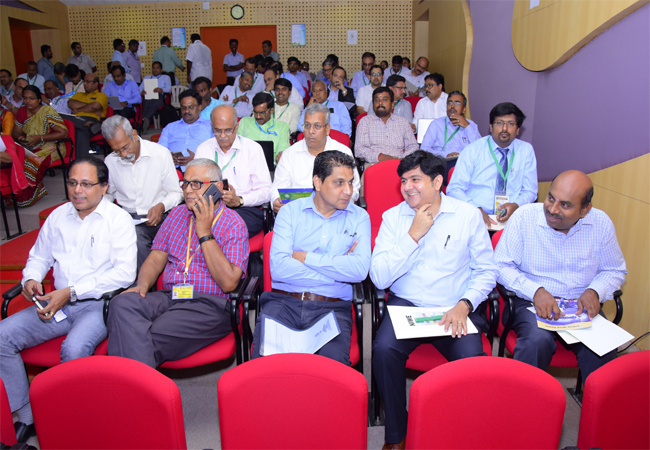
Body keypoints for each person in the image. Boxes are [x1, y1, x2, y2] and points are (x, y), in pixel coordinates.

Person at [0, 157, 136, 444]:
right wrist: (31, 278)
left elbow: (124, 274)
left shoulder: (118, 220)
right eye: (72, 183)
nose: (77, 190)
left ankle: (77, 422)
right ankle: (27, 416)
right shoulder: (58, 216)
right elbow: (39, 256)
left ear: (104, 187)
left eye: (86, 184)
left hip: (99, 305)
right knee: (2, 336)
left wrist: (71, 292)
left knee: (73, 349)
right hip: (55, 302)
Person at [371, 151, 497, 450]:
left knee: (471, 361)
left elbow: (487, 271)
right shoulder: (393, 218)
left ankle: (457, 433)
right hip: (407, 305)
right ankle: (396, 435)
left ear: (438, 181)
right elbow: (379, 278)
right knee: (383, 350)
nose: (407, 187)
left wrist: (465, 304)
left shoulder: (467, 215)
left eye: (415, 179)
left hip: (453, 307)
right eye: (403, 181)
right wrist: (412, 236)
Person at [106, 157, 248, 367]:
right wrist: (142, 285)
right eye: (185, 183)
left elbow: (228, 283)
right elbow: (156, 257)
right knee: (122, 303)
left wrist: (205, 232)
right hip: (171, 296)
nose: (188, 190)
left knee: (140, 336)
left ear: (217, 187)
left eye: (196, 184)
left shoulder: (233, 224)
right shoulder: (176, 215)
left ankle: (129, 383)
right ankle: (137, 382)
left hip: (209, 305)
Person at [495, 170, 627, 380]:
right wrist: (536, 291)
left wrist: (595, 291)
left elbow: (614, 270)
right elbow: (501, 266)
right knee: (536, 342)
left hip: (580, 307)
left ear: (585, 209)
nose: (553, 209)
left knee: (604, 351)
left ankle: (595, 400)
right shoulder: (524, 217)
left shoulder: (601, 224)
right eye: (551, 198)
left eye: (565, 205)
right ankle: (523, 398)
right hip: (531, 303)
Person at [252, 150, 370, 364]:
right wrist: (336, 271)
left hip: (332, 307)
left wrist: (305, 257)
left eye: (351, 183)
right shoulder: (289, 213)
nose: (348, 191)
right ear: (317, 182)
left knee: (330, 374)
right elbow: (279, 269)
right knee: (265, 370)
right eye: (339, 183)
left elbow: (359, 271)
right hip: (284, 303)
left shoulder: (359, 217)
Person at [102, 116, 183, 272]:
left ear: (134, 134)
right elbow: (108, 195)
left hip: (161, 216)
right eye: (117, 151)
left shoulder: (160, 153)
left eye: (125, 147)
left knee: (139, 240)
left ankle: (145, 284)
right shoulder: (110, 161)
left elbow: (176, 192)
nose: (123, 154)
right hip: (128, 219)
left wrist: (161, 206)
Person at [446, 102, 538, 229]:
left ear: (518, 130)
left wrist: (515, 205)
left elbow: (530, 190)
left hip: (512, 218)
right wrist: (476, 209)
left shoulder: (526, 150)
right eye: (499, 123)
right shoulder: (473, 150)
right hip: (476, 217)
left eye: (510, 124)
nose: (504, 129)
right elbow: (454, 189)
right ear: (490, 127)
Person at [195, 104, 272, 237]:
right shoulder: (203, 149)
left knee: (227, 225)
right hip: (210, 208)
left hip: (244, 209)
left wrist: (240, 200)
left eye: (228, 130)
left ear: (237, 127)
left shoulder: (252, 149)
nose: (222, 136)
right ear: (212, 127)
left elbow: (266, 191)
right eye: (217, 130)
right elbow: (195, 185)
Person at [271, 103, 360, 213]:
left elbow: (354, 189)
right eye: (307, 125)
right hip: (298, 214)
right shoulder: (290, 154)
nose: (311, 131)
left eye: (317, 126)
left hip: (334, 212)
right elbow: (277, 189)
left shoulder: (343, 152)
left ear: (327, 129)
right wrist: (276, 201)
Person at [12, 85, 69, 206]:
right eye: (25, 98)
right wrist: (20, 138)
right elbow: (16, 131)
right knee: (14, 160)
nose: (28, 101)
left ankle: (26, 197)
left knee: (31, 163)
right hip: (29, 146)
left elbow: (63, 133)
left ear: (39, 99)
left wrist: (40, 138)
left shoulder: (47, 111)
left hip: (51, 146)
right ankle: (15, 195)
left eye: (31, 98)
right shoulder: (22, 111)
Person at [355, 87, 418, 171]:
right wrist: (379, 157)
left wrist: (401, 159)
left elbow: (413, 146)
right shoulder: (365, 122)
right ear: (373, 105)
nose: (380, 103)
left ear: (392, 105)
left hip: (400, 165)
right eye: (377, 100)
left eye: (385, 100)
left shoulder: (403, 122)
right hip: (374, 165)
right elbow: (359, 150)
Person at [159, 89, 213, 172]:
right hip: (172, 170)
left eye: (191, 107)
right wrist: (168, 157)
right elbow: (159, 150)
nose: (186, 111)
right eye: (184, 107)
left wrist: (197, 159)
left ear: (199, 107)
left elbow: (217, 152)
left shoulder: (211, 127)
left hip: (200, 170)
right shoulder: (170, 127)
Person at [420, 91, 481, 158]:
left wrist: (467, 126)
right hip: (442, 161)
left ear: (464, 109)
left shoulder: (471, 125)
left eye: (457, 103)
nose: (452, 106)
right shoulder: (436, 124)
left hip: (465, 161)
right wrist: (444, 155)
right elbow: (424, 149)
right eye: (450, 103)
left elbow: (480, 149)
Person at [237, 92, 290, 163]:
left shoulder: (282, 127)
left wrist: (281, 154)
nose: (258, 116)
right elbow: (236, 144)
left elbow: (283, 147)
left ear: (271, 111)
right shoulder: (244, 122)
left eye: (262, 113)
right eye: (255, 112)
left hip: (270, 167)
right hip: (245, 164)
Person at [66, 73, 108, 159]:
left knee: (81, 132)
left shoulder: (102, 95)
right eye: (84, 81)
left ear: (96, 83)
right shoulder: (78, 94)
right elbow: (70, 104)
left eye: (88, 82)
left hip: (91, 119)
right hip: (77, 121)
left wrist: (78, 109)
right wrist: (90, 107)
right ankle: (87, 124)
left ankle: (80, 162)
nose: (85, 84)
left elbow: (95, 106)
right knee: (59, 116)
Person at [140, 61, 172, 132]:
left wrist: (161, 89)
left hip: (160, 97)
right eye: (154, 68)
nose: (155, 69)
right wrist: (142, 91)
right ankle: (146, 119)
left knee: (153, 104)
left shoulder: (165, 77)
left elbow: (169, 89)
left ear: (161, 70)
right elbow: (139, 88)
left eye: (157, 68)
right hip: (148, 96)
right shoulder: (147, 78)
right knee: (146, 102)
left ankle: (144, 119)